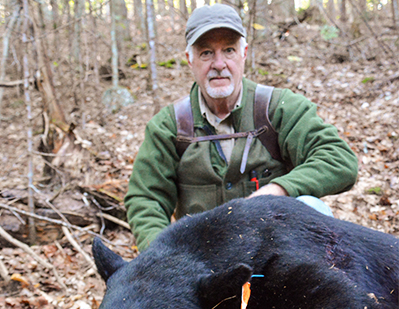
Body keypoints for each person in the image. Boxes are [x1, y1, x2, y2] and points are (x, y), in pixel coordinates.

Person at [124, 4, 358, 252]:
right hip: (203, 259)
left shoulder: (278, 108)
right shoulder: (170, 126)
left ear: (244, 53)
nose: (219, 64)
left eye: (229, 50)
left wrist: (278, 190)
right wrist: (163, 256)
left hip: (277, 248)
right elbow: (145, 199)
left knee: (312, 206)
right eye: (206, 53)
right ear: (189, 60)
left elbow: (340, 160)